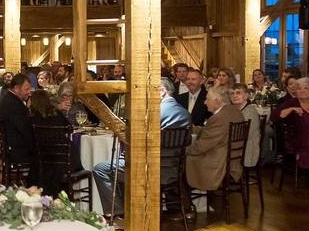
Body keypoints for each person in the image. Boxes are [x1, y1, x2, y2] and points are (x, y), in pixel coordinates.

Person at [93, 78, 191, 217]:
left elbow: (138, 142)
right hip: (175, 169)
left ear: (162, 91)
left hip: (149, 169)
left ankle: (117, 213)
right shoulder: (185, 113)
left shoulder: (153, 114)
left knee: (101, 169)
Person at [185, 85, 246, 192]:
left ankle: (196, 200)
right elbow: (213, 132)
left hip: (219, 163)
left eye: (207, 99)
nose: (205, 102)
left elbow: (201, 147)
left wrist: (184, 150)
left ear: (217, 101)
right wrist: (195, 129)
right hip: (232, 159)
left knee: (183, 159)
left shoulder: (218, 118)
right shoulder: (234, 111)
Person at [0, 73, 35, 168]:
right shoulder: (13, 105)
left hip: (12, 145)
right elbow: (24, 128)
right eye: (26, 89)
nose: (29, 92)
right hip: (18, 150)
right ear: (16, 88)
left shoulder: (10, 99)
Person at [230, 83, 263, 169]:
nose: (235, 96)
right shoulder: (234, 110)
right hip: (237, 146)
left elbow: (244, 135)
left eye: (238, 93)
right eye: (232, 93)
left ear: (246, 96)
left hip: (247, 151)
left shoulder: (250, 111)